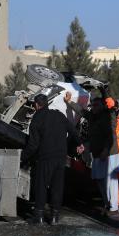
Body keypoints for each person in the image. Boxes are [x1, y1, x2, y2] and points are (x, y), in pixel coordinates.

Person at [22, 93, 84, 225]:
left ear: (36, 105)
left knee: (41, 185)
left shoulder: (37, 118)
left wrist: (23, 157)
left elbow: (33, 145)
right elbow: (72, 130)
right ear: (47, 103)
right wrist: (80, 143)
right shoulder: (58, 115)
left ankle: (38, 216)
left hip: (45, 156)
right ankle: (54, 217)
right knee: (57, 186)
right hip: (61, 157)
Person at [89, 97, 119, 214]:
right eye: (93, 105)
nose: (93, 108)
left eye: (96, 105)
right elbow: (82, 112)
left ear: (103, 106)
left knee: (110, 181)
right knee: (100, 179)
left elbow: (110, 136)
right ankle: (107, 203)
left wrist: (106, 150)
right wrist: (69, 102)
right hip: (98, 153)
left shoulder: (108, 116)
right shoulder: (93, 116)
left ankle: (113, 206)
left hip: (109, 154)